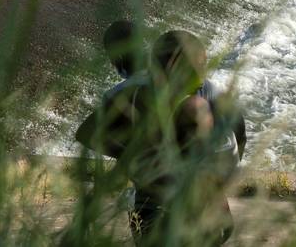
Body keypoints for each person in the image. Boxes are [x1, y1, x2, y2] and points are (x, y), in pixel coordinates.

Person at [76, 29, 245, 246]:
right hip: (154, 207)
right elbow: (87, 133)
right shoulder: (136, 95)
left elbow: (238, 133)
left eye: (204, 65)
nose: (203, 72)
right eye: (198, 66)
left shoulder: (210, 97)